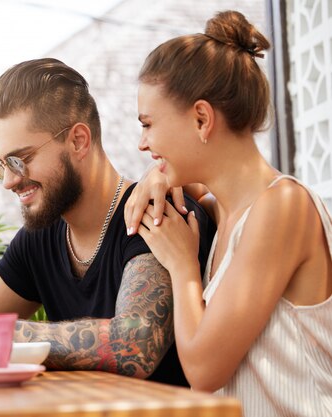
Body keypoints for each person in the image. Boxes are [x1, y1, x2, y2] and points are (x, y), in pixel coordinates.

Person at [0, 58, 216, 386]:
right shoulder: (39, 237)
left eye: (19, 160)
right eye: (0, 164)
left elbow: (135, 344)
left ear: (78, 141)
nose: (9, 181)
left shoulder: (157, 211)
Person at [125, 10, 332, 416]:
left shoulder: (283, 207)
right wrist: (159, 175)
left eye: (148, 124)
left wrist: (183, 266)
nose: (142, 142)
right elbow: (203, 189)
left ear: (202, 118)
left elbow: (204, 370)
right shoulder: (223, 209)